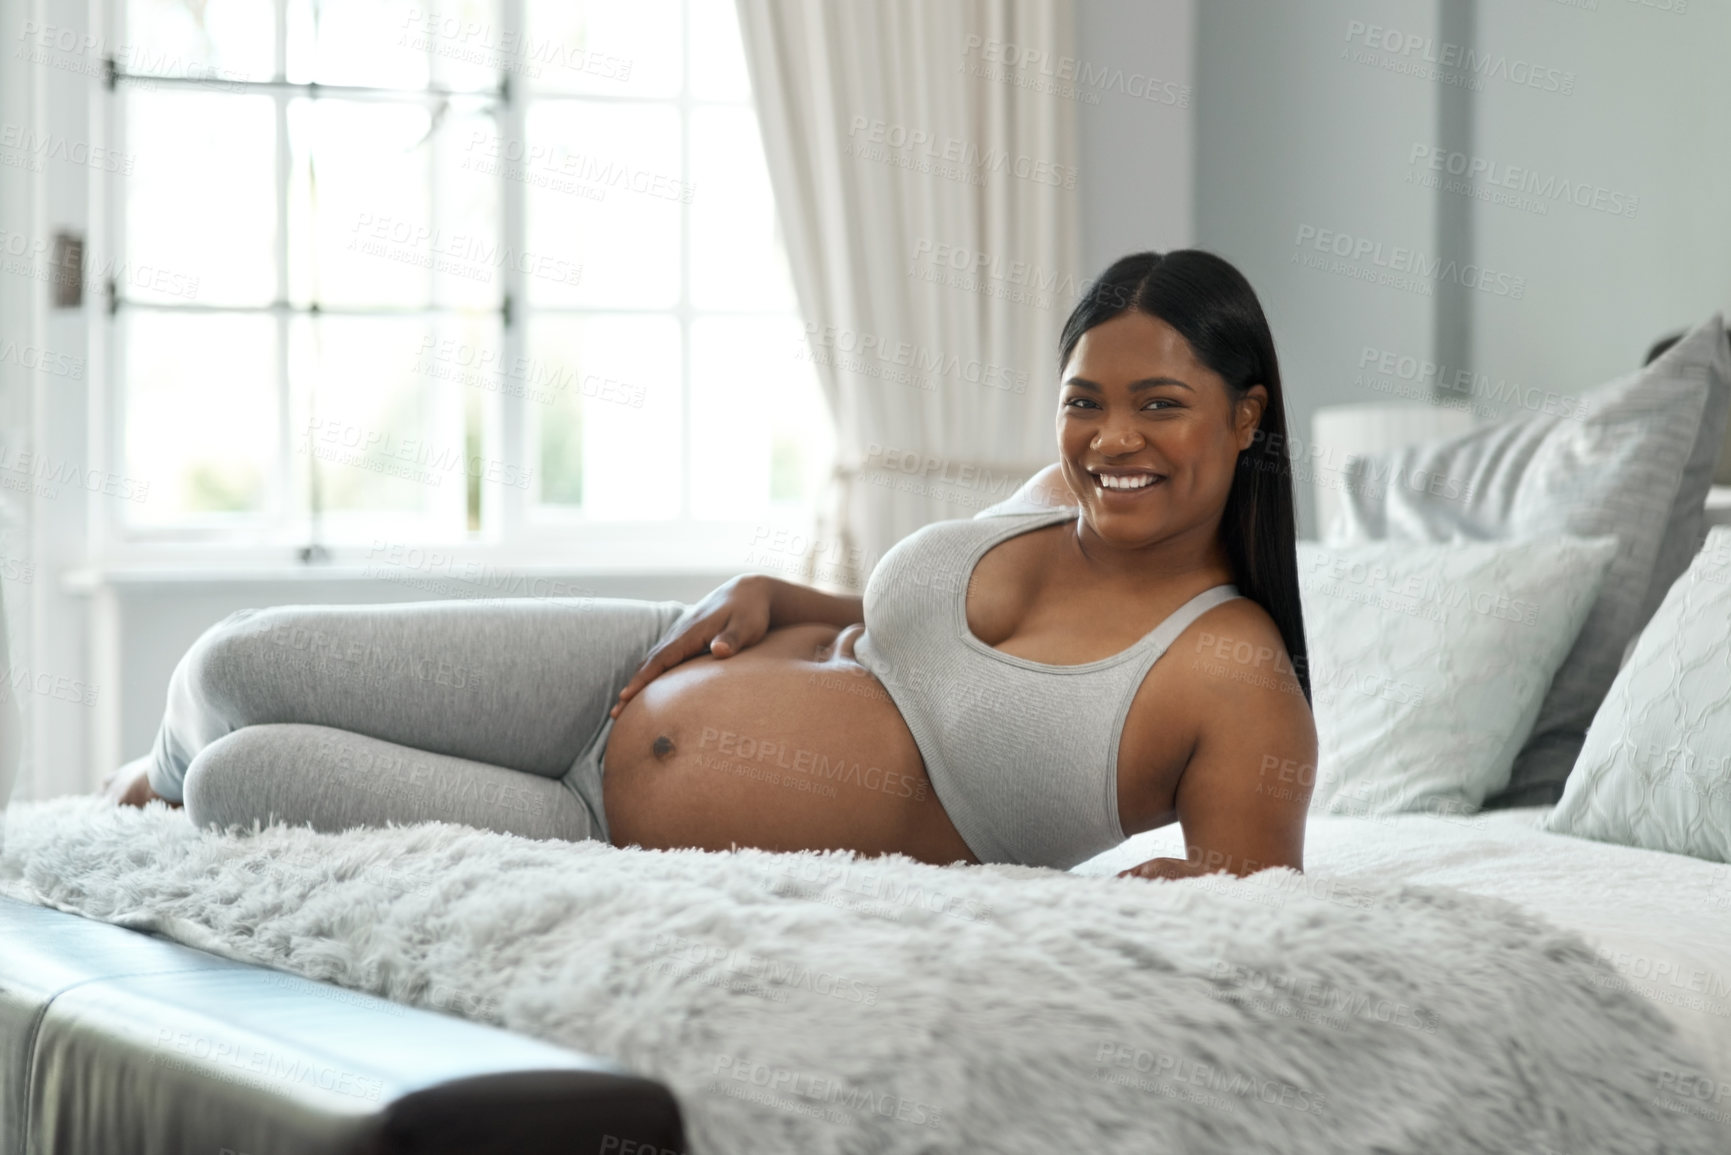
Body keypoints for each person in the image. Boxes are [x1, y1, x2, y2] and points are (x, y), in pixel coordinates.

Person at [105, 250, 1317, 882]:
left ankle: (179, 784)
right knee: (232, 663)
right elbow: (936, 655)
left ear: (1245, 415)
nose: (1113, 441)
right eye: (1084, 402)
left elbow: (1250, 909)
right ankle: (151, 770)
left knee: (243, 782)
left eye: (1160, 405)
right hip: (637, 658)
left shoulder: (1234, 676)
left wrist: (1202, 891)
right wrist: (794, 598)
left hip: (597, 826)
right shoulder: (1059, 502)